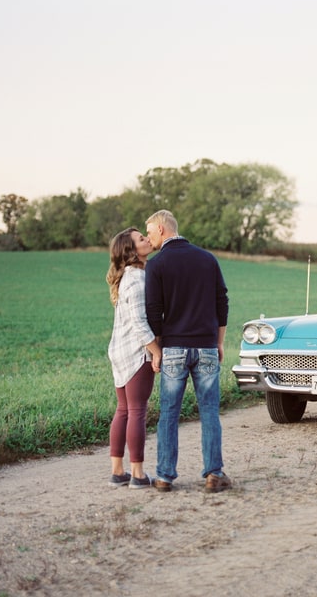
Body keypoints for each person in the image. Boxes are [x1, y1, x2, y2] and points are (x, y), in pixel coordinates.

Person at [144, 210, 232, 493]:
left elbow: (153, 312)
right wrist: (219, 342)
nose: (148, 237)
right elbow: (222, 302)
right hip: (206, 346)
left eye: (149, 232)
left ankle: (165, 476)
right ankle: (214, 474)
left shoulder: (157, 265)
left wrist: (157, 349)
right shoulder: (207, 259)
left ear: (160, 228)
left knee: (169, 412)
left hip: (174, 349)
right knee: (209, 411)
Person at [105, 227, 162, 489]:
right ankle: (138, 473)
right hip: (136, 352)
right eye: (141, 239)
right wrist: (156, 350)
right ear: (131, 250)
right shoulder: (137, 279)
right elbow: (140, 324)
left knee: (124, 410)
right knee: (137, 410)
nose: (147, 240)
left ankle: (118, 472)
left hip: (119, 350)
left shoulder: (127, 277)